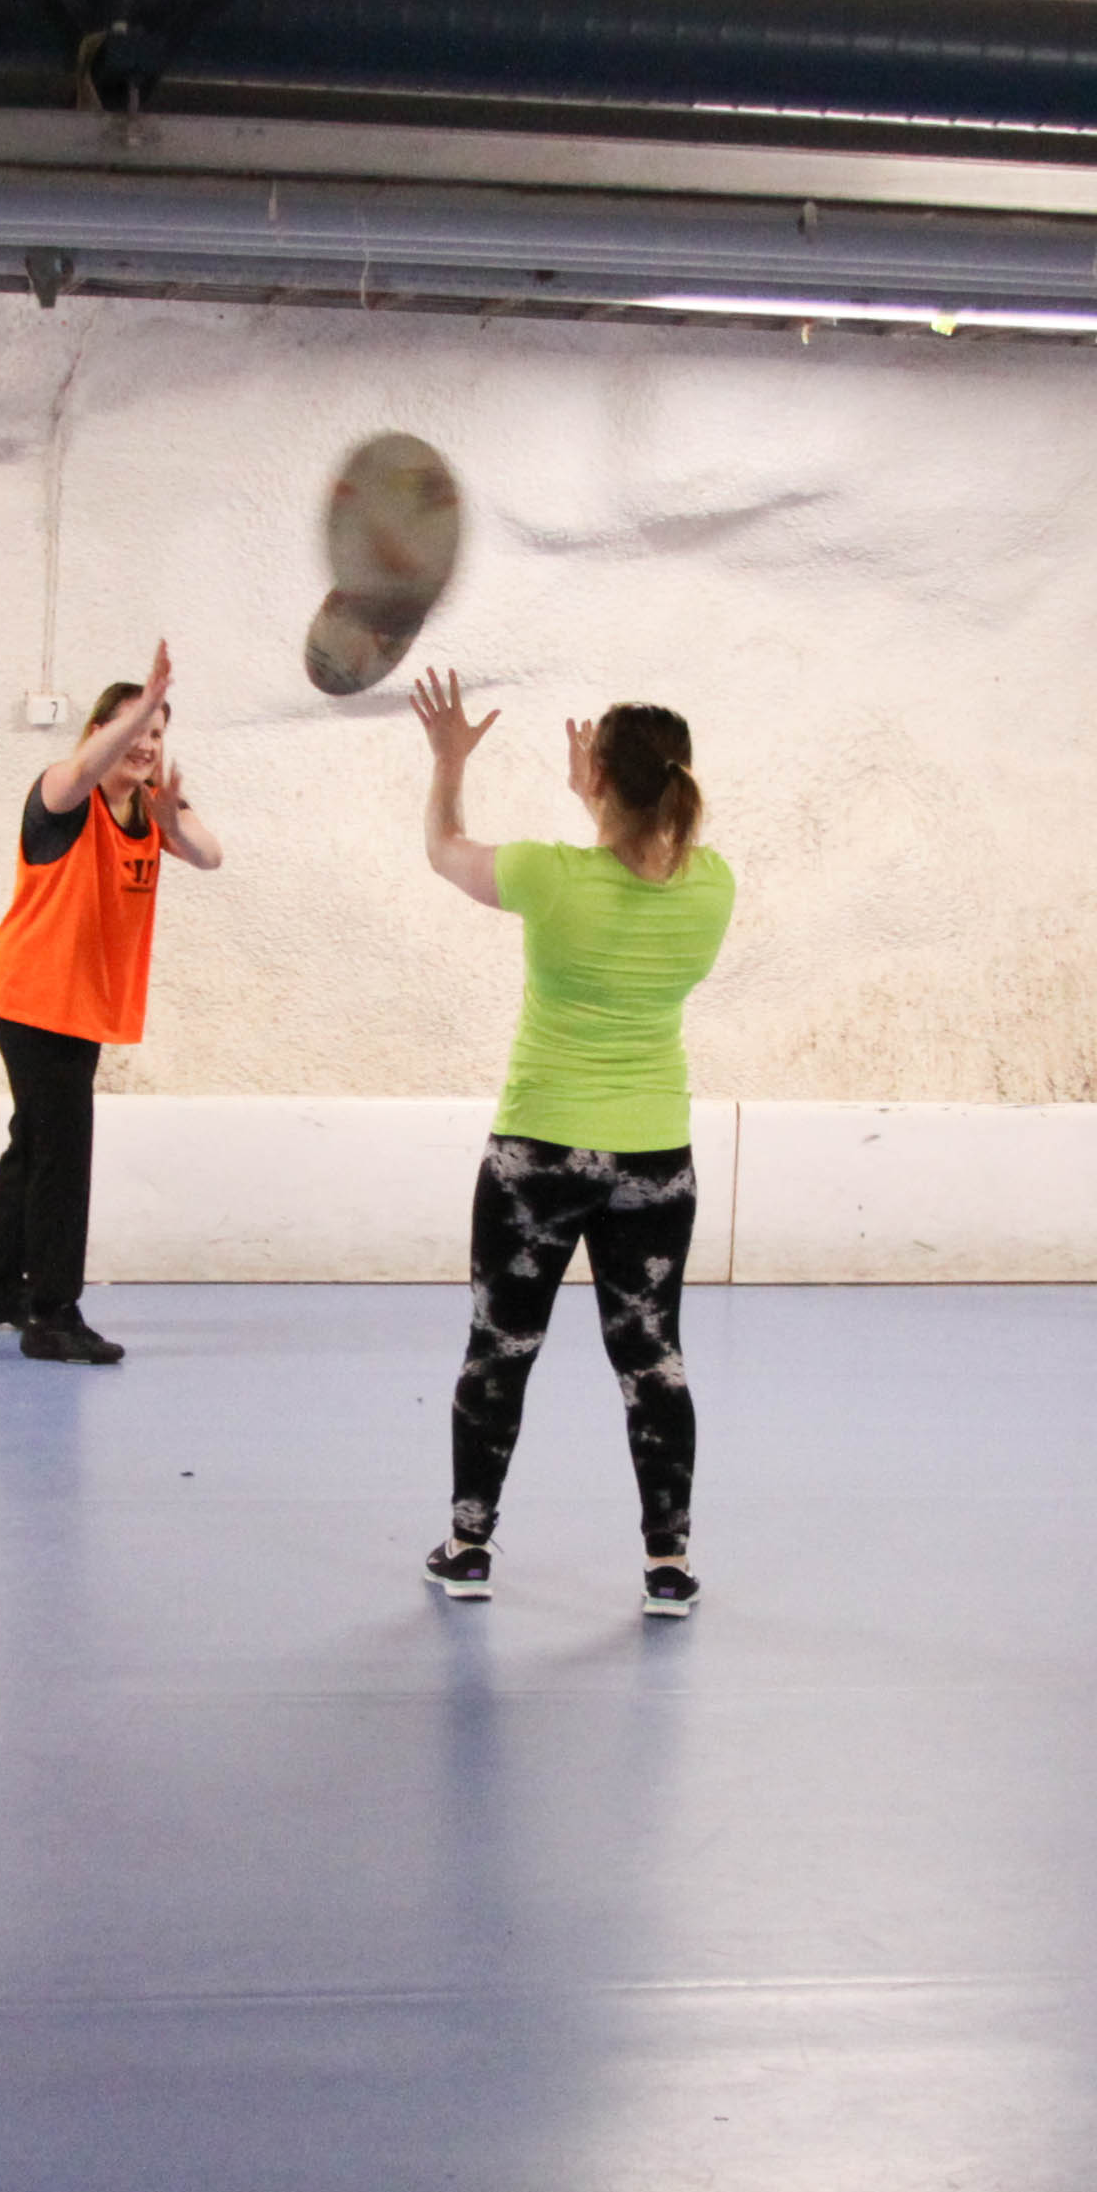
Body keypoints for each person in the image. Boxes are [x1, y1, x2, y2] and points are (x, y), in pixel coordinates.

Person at [408, 671, 735, 1616]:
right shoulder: (714, 886)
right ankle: (668, 1566)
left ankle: (469, 1547)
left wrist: (448, 762)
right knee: (652, 1359)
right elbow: (639, 859)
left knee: (501, 1348)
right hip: (654, 1161)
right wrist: (600, 797)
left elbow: (443, 850)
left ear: (596, 776)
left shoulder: (546, 875)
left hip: (538, 1158)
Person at [0, 644, 221, 1363]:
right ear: (98, 732)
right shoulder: (63, 794)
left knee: (36, 1138)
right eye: (134, 728)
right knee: (63, 1153)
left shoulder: (150, 806)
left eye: (157, 733)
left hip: (80, 1005)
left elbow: (210, 855)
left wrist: (176, 823)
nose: (146, 744)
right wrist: (139, 709)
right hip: (34, 998)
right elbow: (80, 770)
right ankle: (53, 1314)